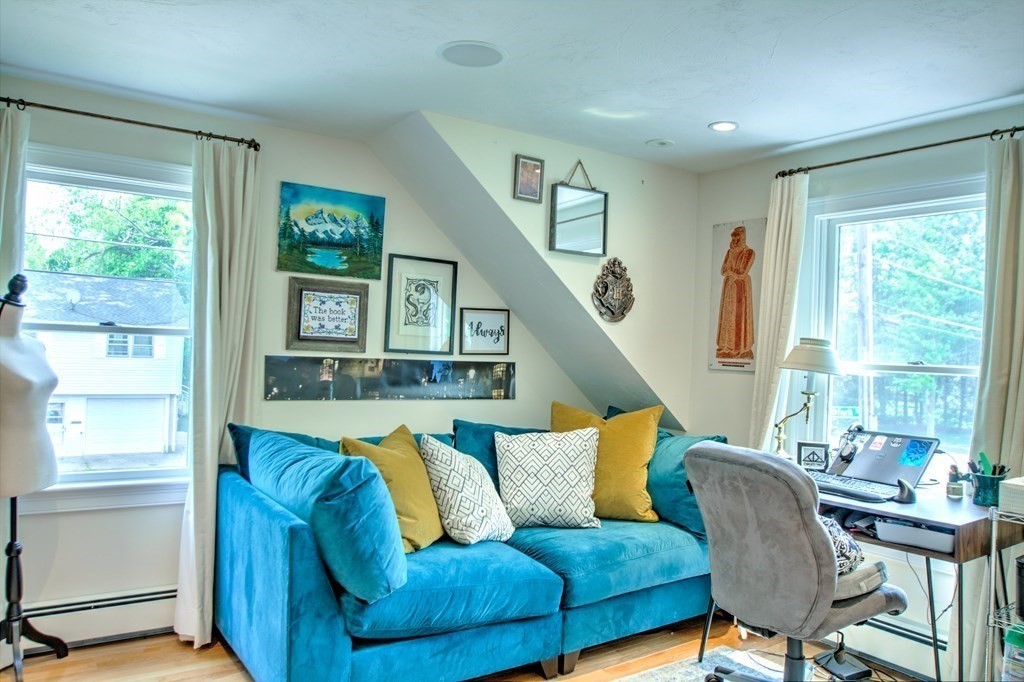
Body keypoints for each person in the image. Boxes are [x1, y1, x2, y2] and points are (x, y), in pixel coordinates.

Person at [715, 226, 756, 360]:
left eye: (737, 238)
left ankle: (739, 348)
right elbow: (723, 270)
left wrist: (731, 272)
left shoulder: (748, 252)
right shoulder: (730, 252)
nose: (734, 240)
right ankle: (726, 346)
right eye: (733, 238)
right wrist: (731, 272)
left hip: (740, 288)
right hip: (729, 287)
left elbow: (742, 272)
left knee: (738, 316)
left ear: (742, 238)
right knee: (727, 316)